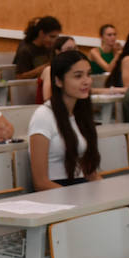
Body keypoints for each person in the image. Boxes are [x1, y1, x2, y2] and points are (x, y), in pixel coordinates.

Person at [29, 50, 103, 190]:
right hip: (56, 192)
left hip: (79, 189)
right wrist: (75, 200)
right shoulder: (43, 116)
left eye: (88, 74)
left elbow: (91, 174)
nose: (86, 81)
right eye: (78, 76)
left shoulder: (81, 114)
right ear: (58, 81)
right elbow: (40, 183)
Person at [36, 35, 79, 102]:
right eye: (69, 49)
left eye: (75, 48)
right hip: (49, 109)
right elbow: (47, 99)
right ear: (57, 52)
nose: (74, 52)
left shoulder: (73, 69)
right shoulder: (49, 70)